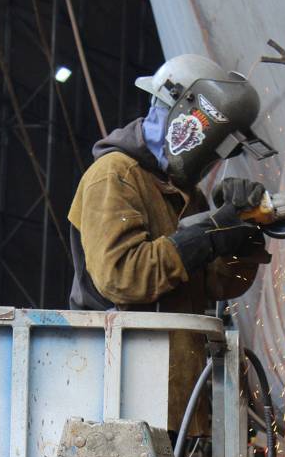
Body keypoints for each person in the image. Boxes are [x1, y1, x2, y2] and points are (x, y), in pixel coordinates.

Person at [68, 54, 272, 435]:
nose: (210, 162)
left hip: (168, 401)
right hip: (116, 399)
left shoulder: (182, 193)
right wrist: (206, 234)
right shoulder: (113, 177)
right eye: (210, 148)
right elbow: (122, 277)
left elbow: (216, 284)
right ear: (183, 114)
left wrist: (240, 233)